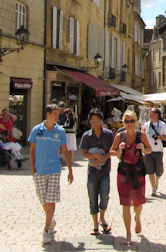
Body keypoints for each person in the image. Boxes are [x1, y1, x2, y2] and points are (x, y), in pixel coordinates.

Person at [28, 104, 73, 245]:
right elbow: (31, 151)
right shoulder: (36, 130)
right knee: (43, 200)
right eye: (54, 113)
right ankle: (51, 219)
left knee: (51, 199)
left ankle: (46, 230)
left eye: (57, 113)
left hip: (54, 169)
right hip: (39, 170)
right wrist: (33, 171)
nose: (57, 116)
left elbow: (65, 151)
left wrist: (70, 170)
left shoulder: (60, 132)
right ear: (47, 114)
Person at [110, 110, 152, 246]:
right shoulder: (119, 136)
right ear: (123, 122)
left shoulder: (141, 135)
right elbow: (111, 151)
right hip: (124, 174)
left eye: (131, 121)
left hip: (138, 173)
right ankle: (128, 233)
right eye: (127, 121)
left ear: (136, 121)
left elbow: (149, 149)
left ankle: (138, 218)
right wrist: (118, 151)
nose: (129, 124)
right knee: (126, 204)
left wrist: (144, 149)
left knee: (138, 204)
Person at [80, 108, 114, 236]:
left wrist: (102, 158)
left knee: (104, 197)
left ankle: (102, 218)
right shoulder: (86, 136)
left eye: (97, 120)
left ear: (101, 120)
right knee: (93, 199)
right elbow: (84, 154)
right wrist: (95, 156)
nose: (95, 123)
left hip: (105, 172)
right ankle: (95, 225)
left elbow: (112, 150)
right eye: (92, 120)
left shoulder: (109, 135)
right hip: (92, 173)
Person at [142, 108, 166, 196]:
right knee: (150, 171)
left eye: (152, 112)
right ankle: (153, 188)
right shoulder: (146, 125)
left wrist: (160, 137)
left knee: (159, 171)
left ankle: (157, 180)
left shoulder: (162, 124)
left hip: (158, 150)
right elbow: (142, 136)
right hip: (148, 150)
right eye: (150, 111)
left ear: (157, 114)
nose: (150, 113)